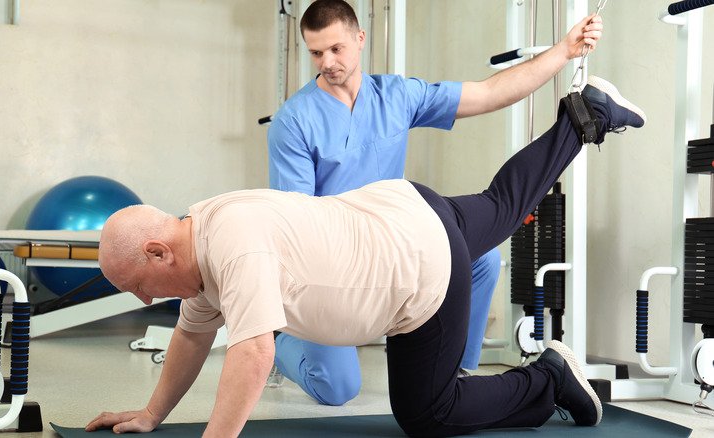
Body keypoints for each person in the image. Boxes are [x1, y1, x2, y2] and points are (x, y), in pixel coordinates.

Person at [86, 77, 643, 437]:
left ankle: (547, 378)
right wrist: (151, 414)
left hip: (419, 265)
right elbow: (190, 336)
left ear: (158, 251)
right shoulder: (200, 230)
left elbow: (254, 354)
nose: (142, 299)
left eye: (138, 285)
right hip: (402, 207)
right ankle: (582, 118)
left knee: (429, 414)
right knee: (502, 206)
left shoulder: (231, 240)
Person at [267, 0, 604, 405]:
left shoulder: (395, 95)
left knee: (480, 259)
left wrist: (564, 50)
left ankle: (455, 371)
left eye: (336, 49)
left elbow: (488, 93)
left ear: (360, 39)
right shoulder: (294, 121)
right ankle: (279, 344)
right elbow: (297, 224)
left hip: (394, 245)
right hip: (335, 264)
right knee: (337, 389)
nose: (327, 62)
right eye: (316, 53)